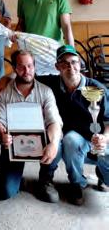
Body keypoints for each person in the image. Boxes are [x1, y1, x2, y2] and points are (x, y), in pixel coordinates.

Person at [38, 45, 109, 205]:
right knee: (69, 139)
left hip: (95, 139)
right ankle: (76, 183)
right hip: (69, 140)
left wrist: (104, 138)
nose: (70, 67)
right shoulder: (51, 83)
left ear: (80, 64)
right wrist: (7, 78)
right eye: (65, 63)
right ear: (57, 67)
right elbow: (27, 75)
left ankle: (102, 173)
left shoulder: (97, 89)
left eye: (74, 62)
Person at [0, 50, 62, 202]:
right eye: (21, 67)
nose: (27, 71)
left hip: (41, 142)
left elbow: (54, 121)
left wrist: (54, 143)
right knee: (4, 192)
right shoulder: (4, 92)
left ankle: (45, 180)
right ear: (14, 68)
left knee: (57, 142)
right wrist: (2, 134)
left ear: (34, 66)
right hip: (13, 144)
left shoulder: (46, 92)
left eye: (30, 66)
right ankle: (7, 176)